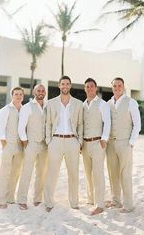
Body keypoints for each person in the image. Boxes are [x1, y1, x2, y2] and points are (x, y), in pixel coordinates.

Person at [44, 75, 83, 212]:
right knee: (52, 173)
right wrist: (49, 141)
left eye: (67, 84)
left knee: (73, 173)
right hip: (56, 141)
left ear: (70, 86)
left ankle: (74, 202)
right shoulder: (51, 103)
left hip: (73, 141)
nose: (65, 86)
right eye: (63, 84)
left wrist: (79, 141)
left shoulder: (78, 103)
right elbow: (48, 123)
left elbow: (80, 124)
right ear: (59, 86)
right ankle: (48, 202)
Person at [106, 77, 141, 213]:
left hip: (125, 143)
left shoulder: (131, 102)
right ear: (112, 87)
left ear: (123, 86)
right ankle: (116, 201)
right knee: (112, 173)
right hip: (110, 143)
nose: (117, 88)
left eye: (119, 85)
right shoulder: (108, 103)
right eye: (114, 86)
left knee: (125, 173)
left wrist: (131, 143)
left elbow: (137, 124)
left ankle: (128, 205)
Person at [82, 78, 111, 215]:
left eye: (92, 86)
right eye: (87, 86)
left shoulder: (102, 104)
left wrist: (104, 139)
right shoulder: (83, 105)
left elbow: (108, 122)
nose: (89, 88)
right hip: (85, 144)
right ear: (85, 88)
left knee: (97, 174)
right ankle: (91, 199)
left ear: (96, 88)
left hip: (97, 143)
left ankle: (99, 204)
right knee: (88, 173)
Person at [16, 84, 47, 210]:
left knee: (41, 173)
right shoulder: (27, 107)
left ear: (45, 92)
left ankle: (37, 198)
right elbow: (21, 127)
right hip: (31, 144)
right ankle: (22, 199)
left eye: (42, 90)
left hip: (44, 145)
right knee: (26, 172)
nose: (40, 92)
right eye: (38, 90)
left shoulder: (48, 106)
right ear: (34, 92)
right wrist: (25, 142)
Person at [0, 87, 24, 209]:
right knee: (4, 172)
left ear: (23, 96)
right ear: (12, 95)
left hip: (20, 146)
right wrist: (4, 146)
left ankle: (10, 197)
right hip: (8, 145)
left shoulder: (24, 110)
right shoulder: (5, 110)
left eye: (20, 94)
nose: (18, 96)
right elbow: (0, 130)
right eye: (16, 94)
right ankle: (0, 199)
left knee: (15, 173)